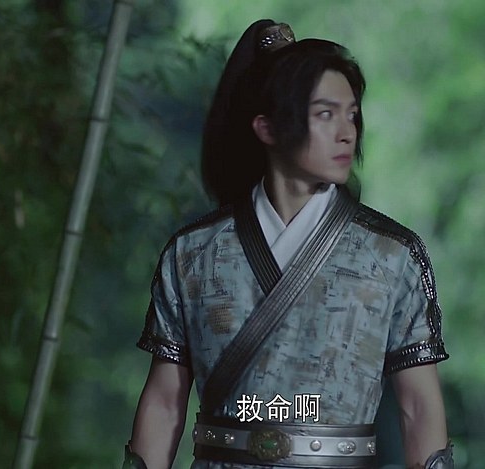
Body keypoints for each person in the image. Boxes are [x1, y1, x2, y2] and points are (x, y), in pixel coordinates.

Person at [123, 19, 453, 469]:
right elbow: (164, 403)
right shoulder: (193, 254)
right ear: (267, 128)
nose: (347, 132)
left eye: (351, 114)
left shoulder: (392, 255)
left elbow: (419, 406)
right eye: (325, 114)